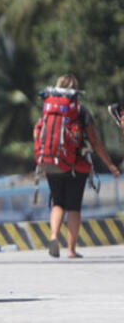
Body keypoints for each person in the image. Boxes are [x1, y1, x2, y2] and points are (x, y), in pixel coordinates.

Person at [43, 75, 119, 259]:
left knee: (57, 202)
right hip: (75, 165)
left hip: (51, 162)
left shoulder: (48, 108)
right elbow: (93, 140)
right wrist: (109, 164)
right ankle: (71, 249)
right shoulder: (79, 110)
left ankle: (53, 236)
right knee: (74, 207)